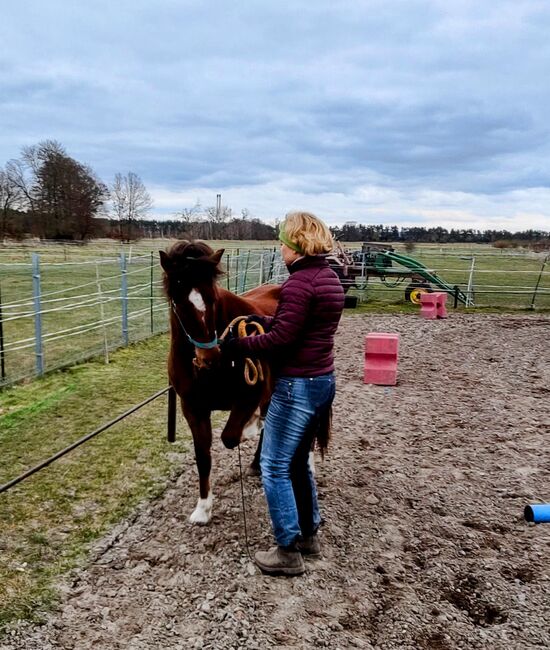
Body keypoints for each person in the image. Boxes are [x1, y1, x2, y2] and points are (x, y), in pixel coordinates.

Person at [221, 211, 345, 576]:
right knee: (297, 463)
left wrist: (239, 345)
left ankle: (287, 550)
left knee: (274, 467)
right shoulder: (329, 278)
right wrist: (265, 321)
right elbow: (297, 325)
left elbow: (282, 341)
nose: (280, 248)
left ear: (296, 244)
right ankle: (309, 535)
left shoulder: (297, 284)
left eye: (283, 241)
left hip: (296, 387)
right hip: (323, 380)